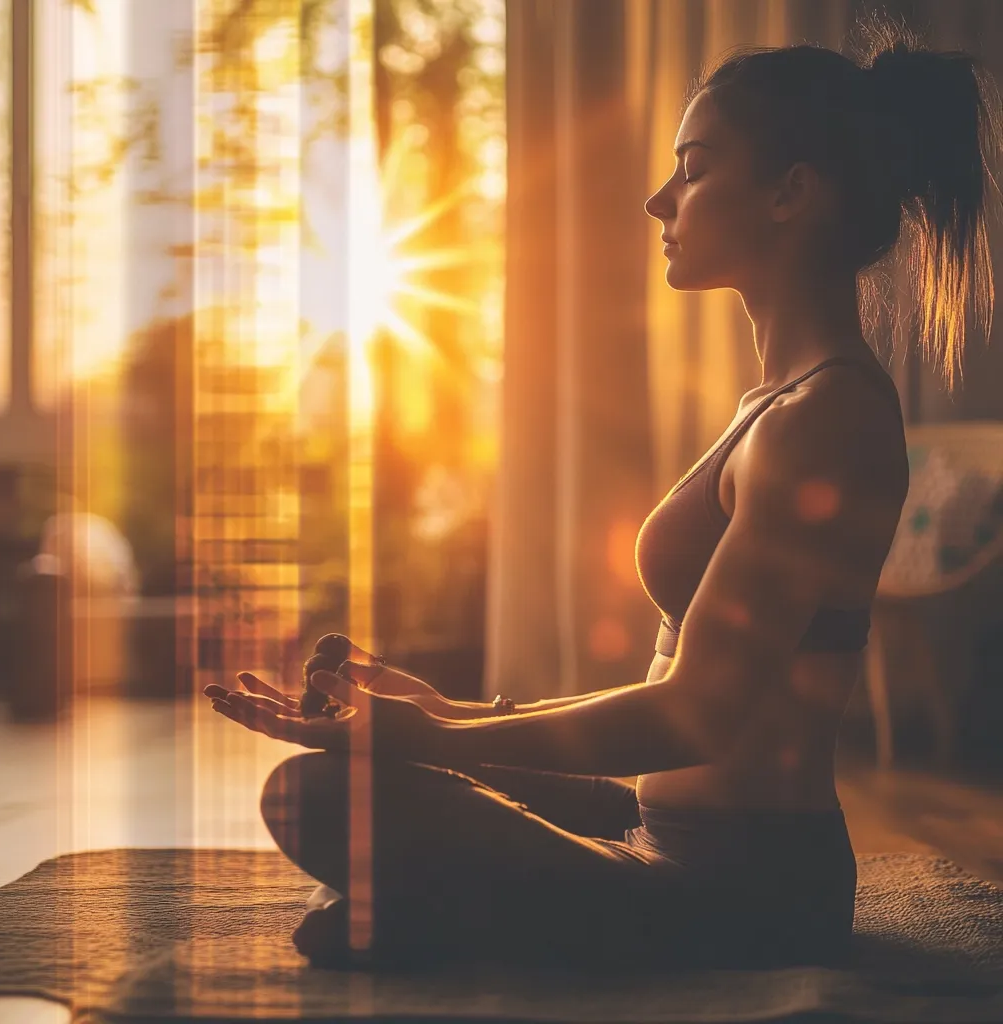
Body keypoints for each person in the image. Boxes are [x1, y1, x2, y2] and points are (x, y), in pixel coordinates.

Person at [204, 13, 1001, 972]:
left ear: (791, 193)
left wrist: (434, 742)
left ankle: (497, 922)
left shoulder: (828, 418)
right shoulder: (777, 404)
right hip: (652, 817)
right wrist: (455, 717)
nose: (660, 200)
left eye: (695, 167)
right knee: (341, 788)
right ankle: (485, 915)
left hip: (746, 887)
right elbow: (676, 691)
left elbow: (700, 712)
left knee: (319, 802)